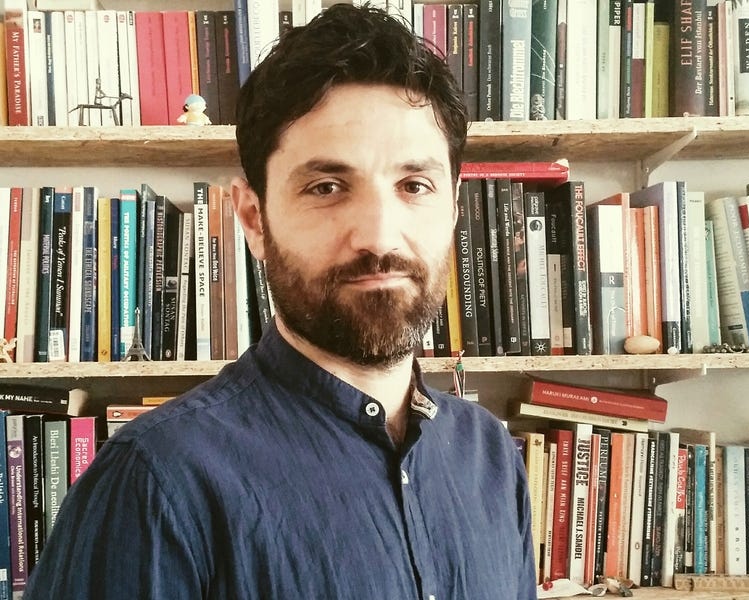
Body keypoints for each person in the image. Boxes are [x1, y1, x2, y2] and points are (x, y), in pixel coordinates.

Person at [24, 4, 536, 599]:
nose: (377, 235)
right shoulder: (156, 479)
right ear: (253, 218)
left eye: (413, 185)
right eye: (326, 187)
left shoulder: (493, 459)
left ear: (451, 210)